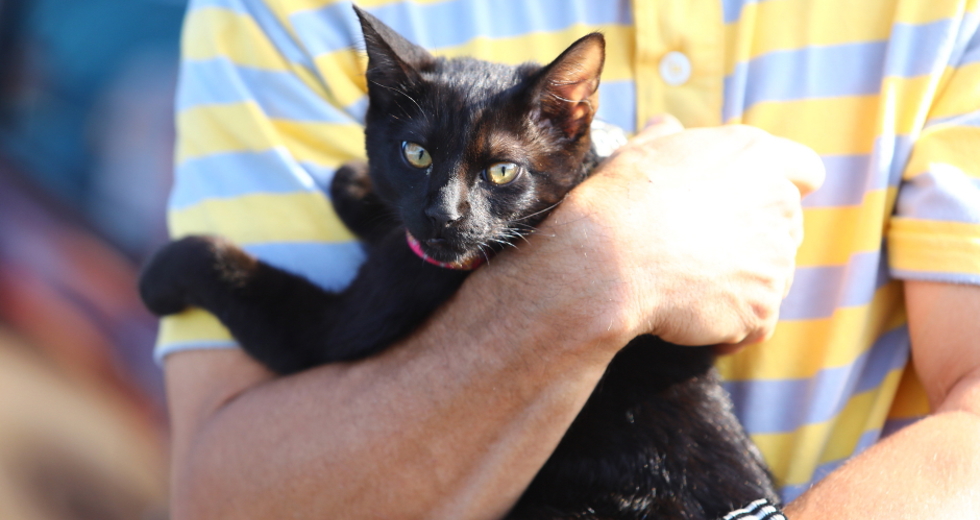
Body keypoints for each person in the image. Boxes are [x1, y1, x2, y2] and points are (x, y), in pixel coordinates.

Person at [156, 1, 980, 518]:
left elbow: (317, 334)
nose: (447, 212)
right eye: (417, 160)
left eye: (497, 174)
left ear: (572, 123)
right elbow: (228, 499)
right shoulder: (281, 18)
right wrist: (604, 264)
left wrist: (201, 266)